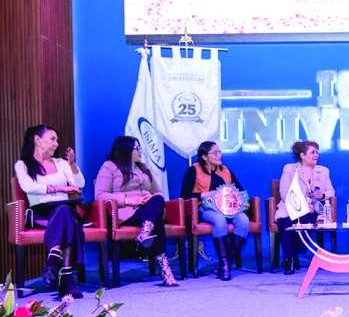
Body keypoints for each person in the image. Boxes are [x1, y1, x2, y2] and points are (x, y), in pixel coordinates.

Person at [95, 136, 178, 286]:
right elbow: (100, 195)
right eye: (136, 149)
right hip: (125, 212)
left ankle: (146, 231)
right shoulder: (110, 166)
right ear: (125, 150)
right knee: (156, 220)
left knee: (158, 200)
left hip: (146, 209)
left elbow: (158, 192)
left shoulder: (144, 168)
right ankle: (164, 267)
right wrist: (128, 199)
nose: (140, 152)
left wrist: (149, 196)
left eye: (140, 148)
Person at [13, 124, 85, 298]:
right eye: (52, 139)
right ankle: (66, 278)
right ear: (37, 140)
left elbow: (79, 184)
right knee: (68, 217)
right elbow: (28, 186)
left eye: (57, 140)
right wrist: (59, 188)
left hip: (63, 208)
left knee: (64, 211)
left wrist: (72, 165)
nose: (56, 144)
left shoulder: (61, 163)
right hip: (40, 211)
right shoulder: (23, 164)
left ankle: (53, 260)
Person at [180, 141, 249, 281]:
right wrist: (201, 194)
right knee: (219, 220)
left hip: (228, 208)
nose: (219, 155)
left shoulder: (226, 170)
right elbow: (185, 195)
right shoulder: (194, 170)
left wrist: (243, 200)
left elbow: (240, 190)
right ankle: (225, 265)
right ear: (204, 156)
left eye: (219, 152)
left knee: (244, 221)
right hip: (206, 208)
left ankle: (224, 263)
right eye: (215, 153)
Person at [275, 140, 335, 275]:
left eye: (317, 152)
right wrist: (301, 205)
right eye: (312, 152)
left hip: (312, 210)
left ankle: (292, 256)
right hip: (289, 208)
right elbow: (284, 192)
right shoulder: (289, 169)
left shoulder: (323, 171)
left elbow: (331, 191)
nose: (316, 155)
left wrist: (322, 195)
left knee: (306, 218)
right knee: (286, 221)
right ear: (302, 155)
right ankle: (290, 259)